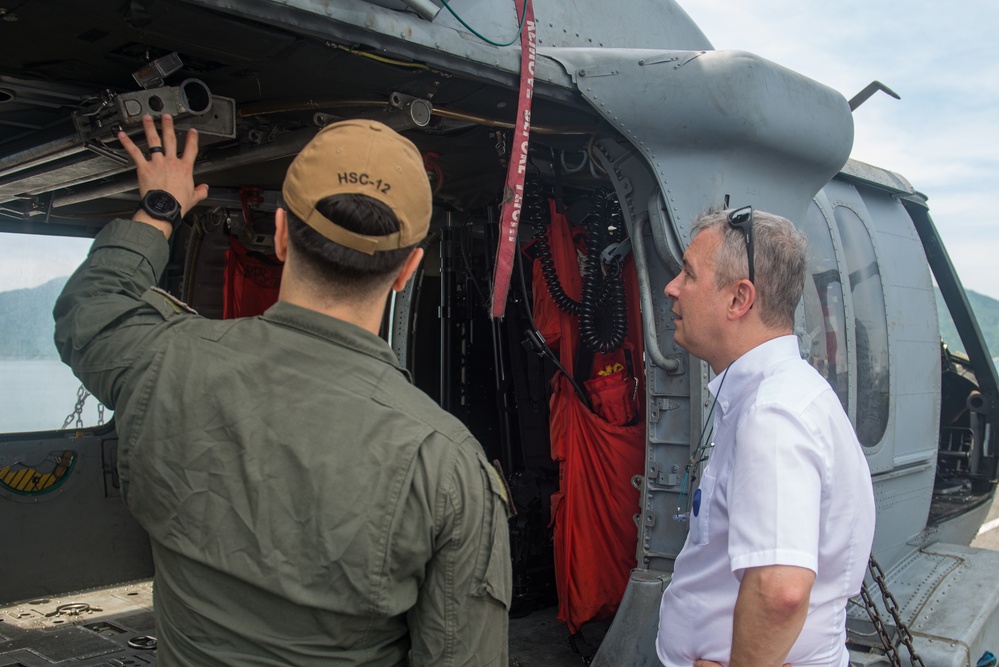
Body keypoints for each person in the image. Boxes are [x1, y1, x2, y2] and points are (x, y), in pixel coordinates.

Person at [53, 114, 511, 666]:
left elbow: (92, 309)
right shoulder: (449, 467)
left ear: (279, 234)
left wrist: (160, 208)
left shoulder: (165, 361)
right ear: (408, 269)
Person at [655, 208, 876, 667]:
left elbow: (781, 592)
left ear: (739, 300)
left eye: (689, 275)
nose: (672, 287)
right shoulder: (779, 394)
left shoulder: (773, 414)